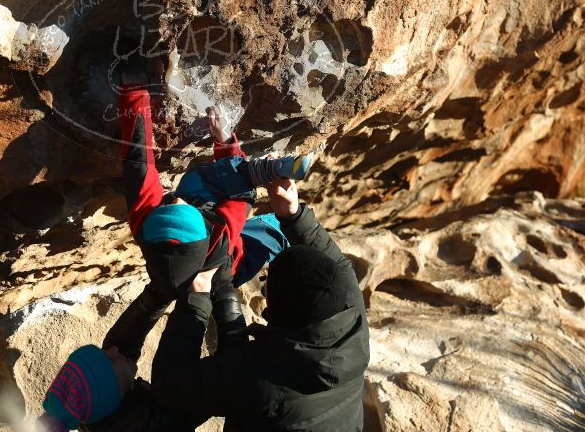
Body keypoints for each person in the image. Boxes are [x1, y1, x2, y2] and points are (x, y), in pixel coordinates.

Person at [37, 57, 311, 431]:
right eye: (110, 359)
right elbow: (227, 375)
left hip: (191, 261)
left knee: (196, 189)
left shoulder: (148, 219)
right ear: (116, 394)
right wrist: (226, 143)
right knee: (274, 232)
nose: (112, 348)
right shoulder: (170, 411)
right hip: (226, 268)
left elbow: (138, 163)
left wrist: (134, 92)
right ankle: (257, 183)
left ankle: (244, 176)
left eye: (172, 201)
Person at [151, 177, 371, 431]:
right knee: (275, 232)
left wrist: (196, 300)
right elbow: (341, 267)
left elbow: (170, 387)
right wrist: (293, 214)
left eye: (267, 285)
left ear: (274, 312)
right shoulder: (351, 321)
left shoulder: (263, 381)